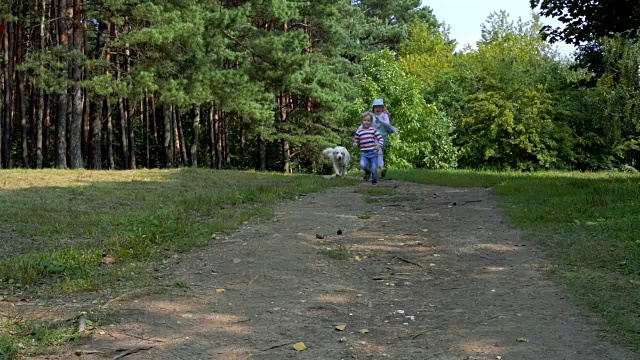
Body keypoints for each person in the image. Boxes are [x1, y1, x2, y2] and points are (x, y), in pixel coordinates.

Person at [357, 99, 397, 178]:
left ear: (382, 108)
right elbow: (364, 124)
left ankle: (373, 170)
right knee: (374, 153)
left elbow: (388, 124)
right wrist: (358, 133)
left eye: (380, 107)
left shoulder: (385, 115)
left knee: (379, 152)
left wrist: (380, 120)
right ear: (373, 108)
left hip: (382, 137)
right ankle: (380, 168)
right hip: (371, 137)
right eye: (376, 107)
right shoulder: (371, 115)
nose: (378, 109)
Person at [353, 112, 382, 185]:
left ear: (371, 122)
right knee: (362, 165)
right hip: (364, 153)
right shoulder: (359, 131)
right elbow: (356, 140)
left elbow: (380, 138)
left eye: (368, 120)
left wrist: (379, 145)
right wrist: (355, 144)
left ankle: (374, 182)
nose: (366, 122)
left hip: (373, 152)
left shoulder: (373, 130)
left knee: (374, 169)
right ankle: (368, 171)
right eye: (365, 120)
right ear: (361, 121)